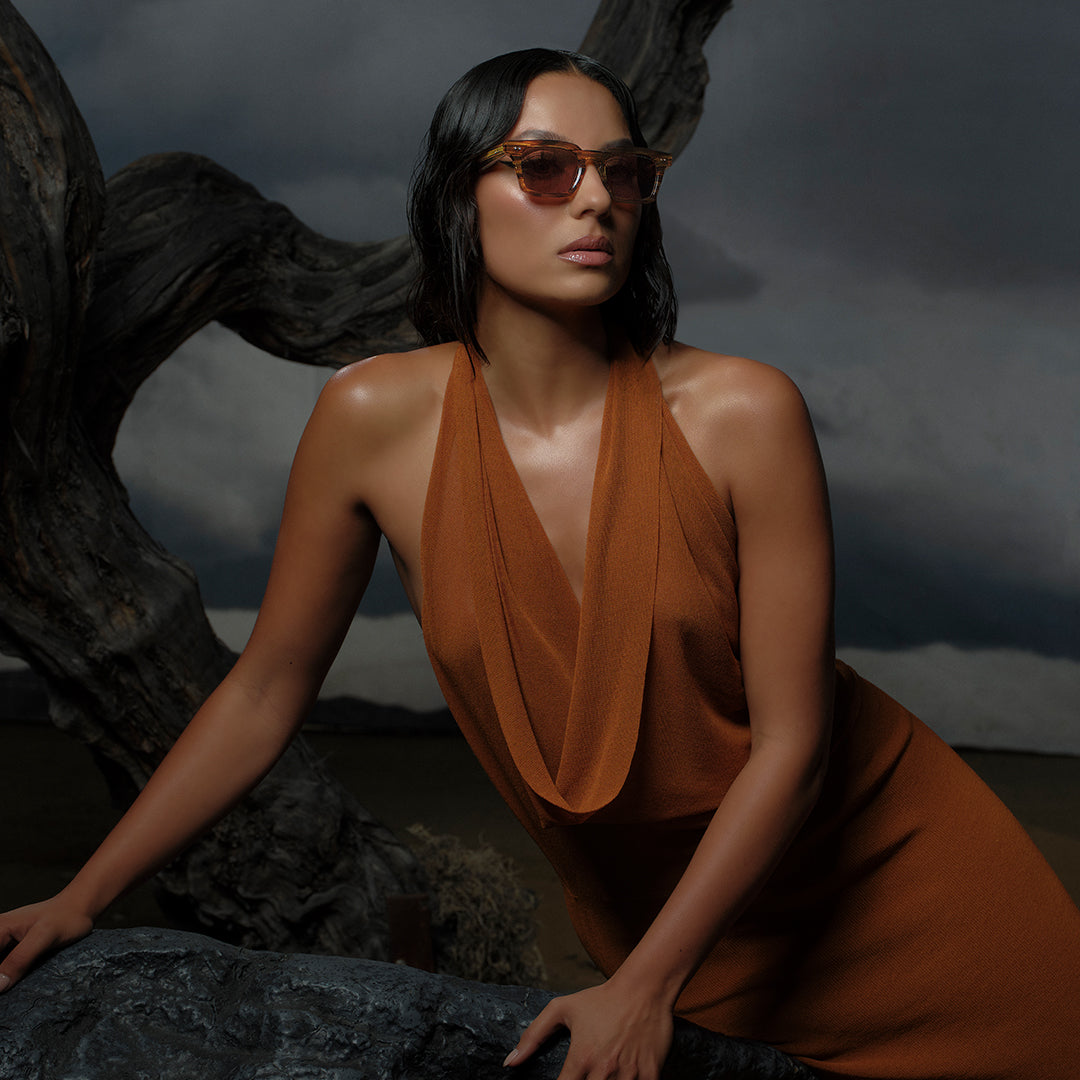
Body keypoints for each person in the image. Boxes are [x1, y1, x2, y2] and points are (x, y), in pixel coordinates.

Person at [1, 47, 1078, 1080]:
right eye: (548, 169)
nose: (596, 200)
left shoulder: (746, 412)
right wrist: (83, 898)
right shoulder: (369, 419)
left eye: (624, 173)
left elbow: (793, 747)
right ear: (456, 195)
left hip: (901, 893)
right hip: (668, 934)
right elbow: (266, 691)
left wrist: (647, 987)